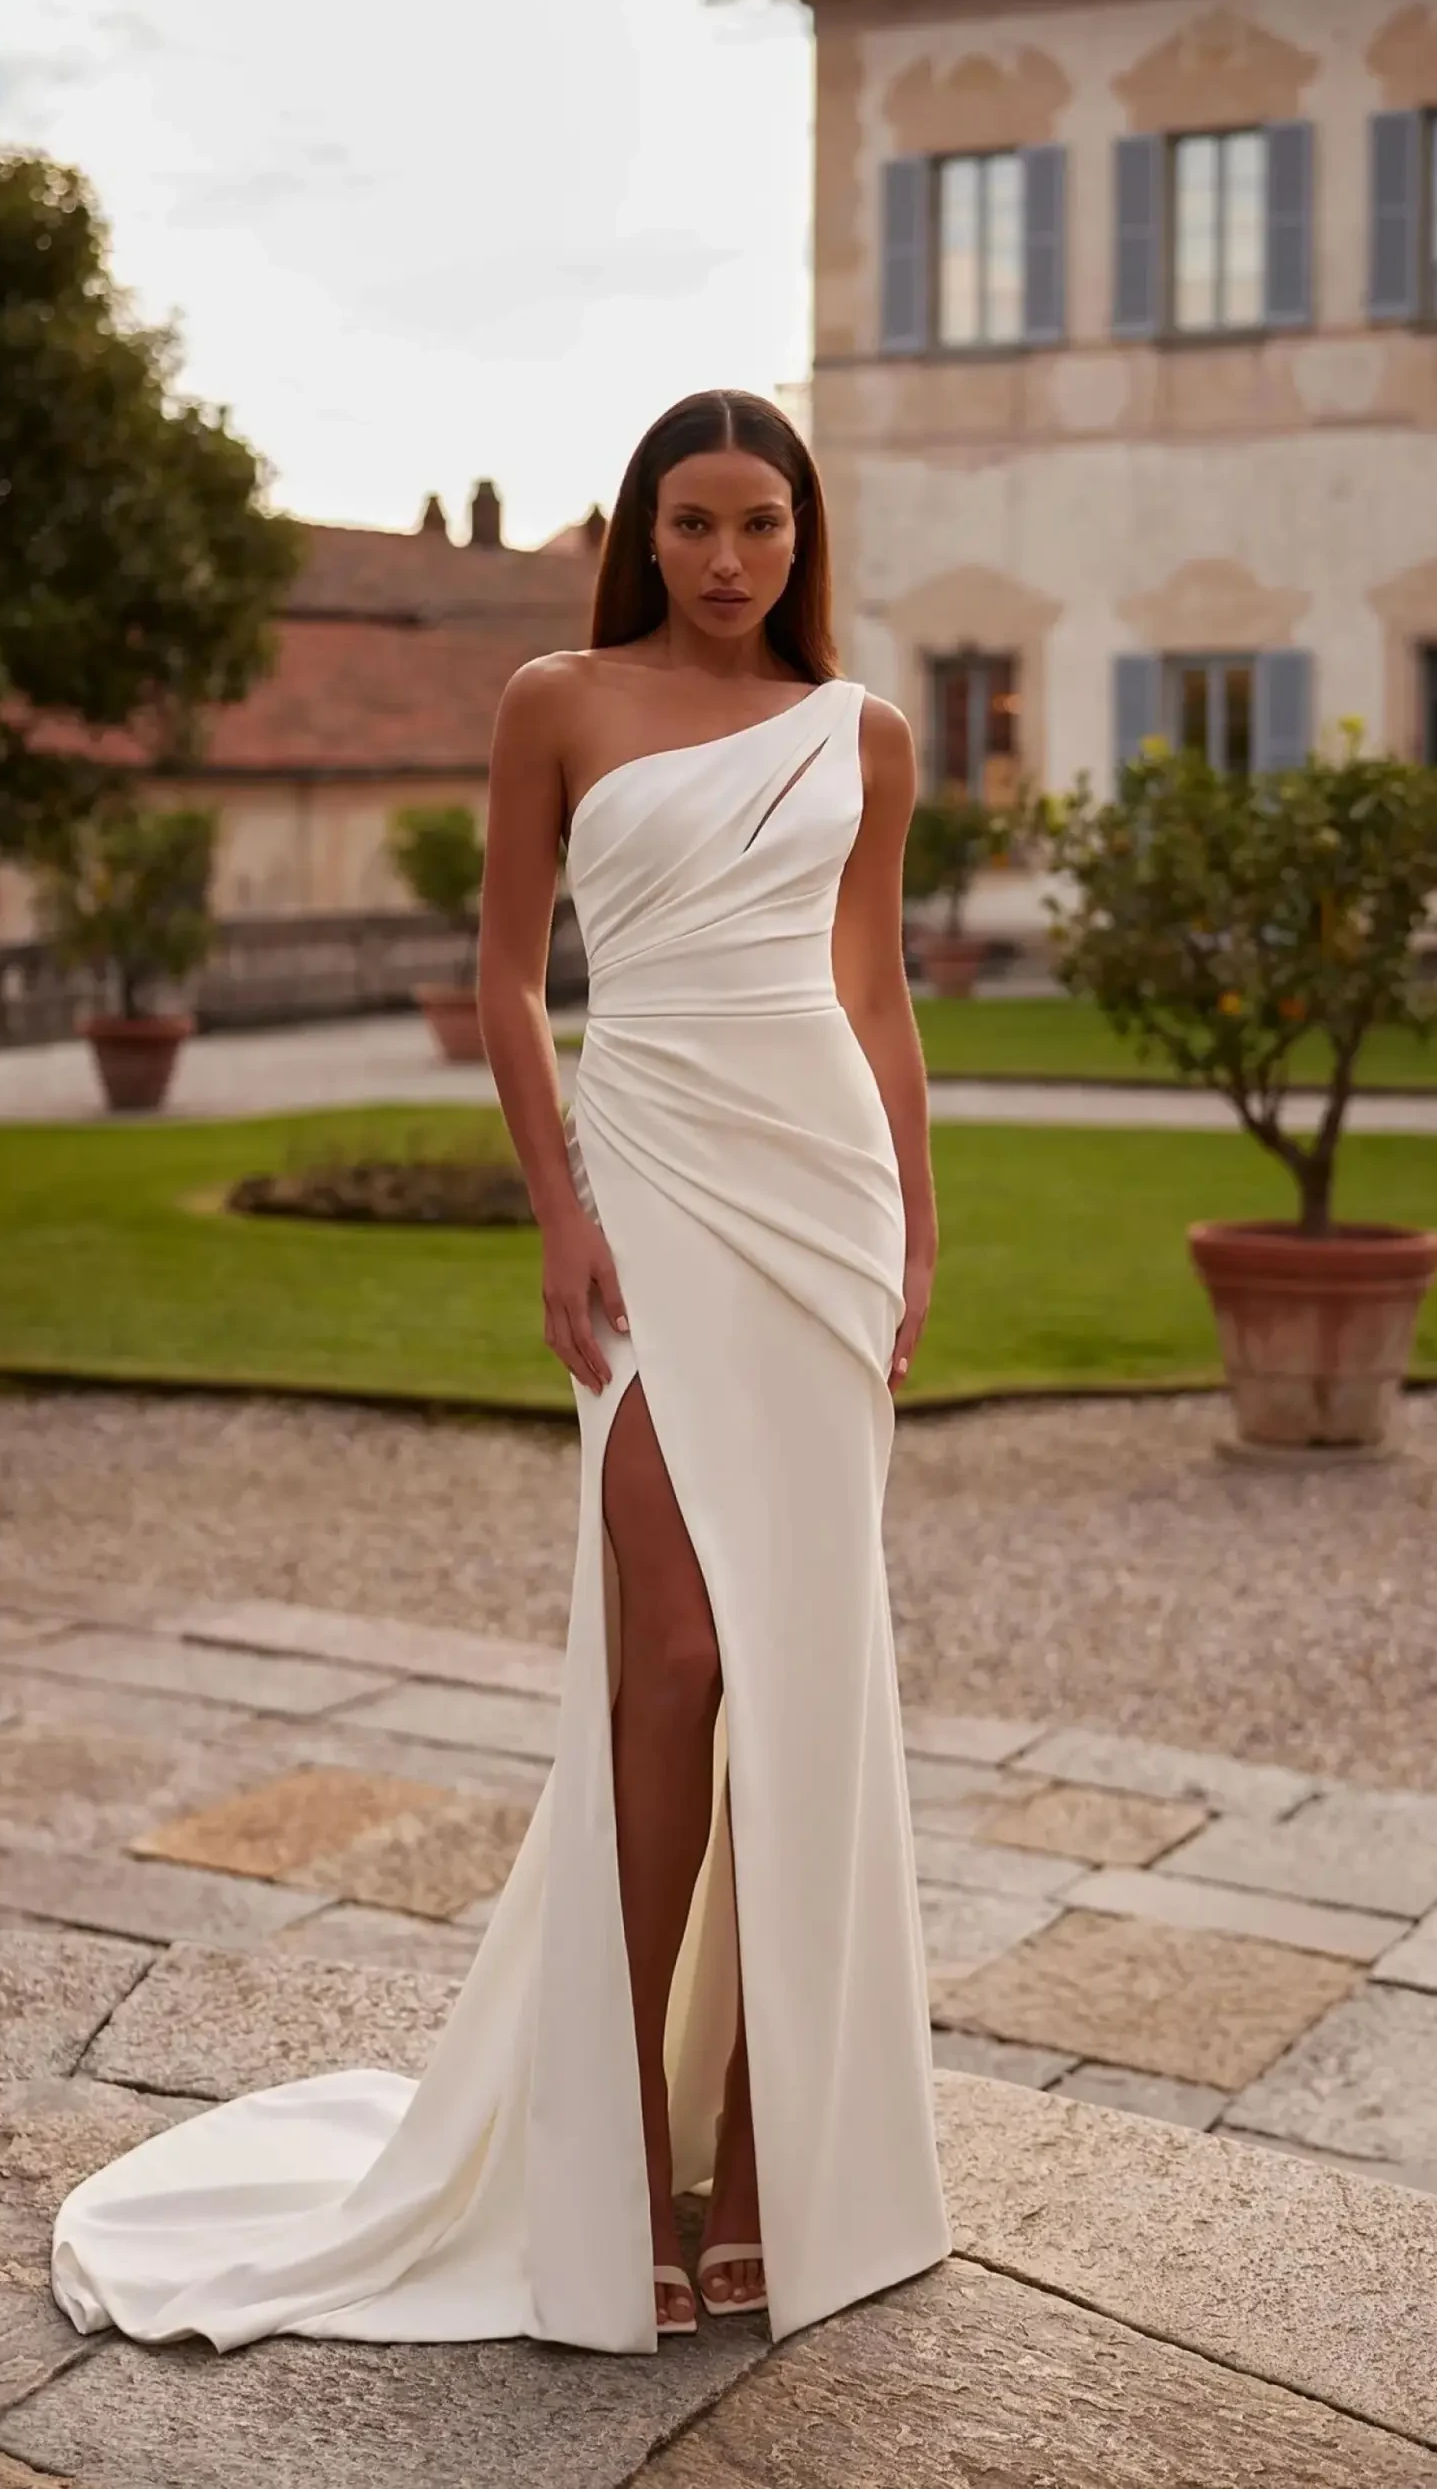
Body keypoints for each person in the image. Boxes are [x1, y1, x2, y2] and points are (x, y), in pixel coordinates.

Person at [47, 387, 950, 2357]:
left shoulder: (863, 736)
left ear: (804, 537)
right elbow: (509, 981)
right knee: (675, 1658)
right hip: (650, 1172)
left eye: (764, 525)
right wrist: (559, 1210)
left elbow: (872, 991)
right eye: (695, 522)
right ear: (640, 531)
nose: (730, 558)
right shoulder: (558, 699)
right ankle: (610, 2146)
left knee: (795, 1680)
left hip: (821, 1196)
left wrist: (919, 1223)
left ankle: (753, 2162)